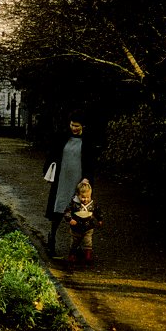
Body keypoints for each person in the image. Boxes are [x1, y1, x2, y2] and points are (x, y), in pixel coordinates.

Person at [43, 109, 96, 255]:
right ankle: (51, 238)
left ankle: (77, 245)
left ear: (83, 126)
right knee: (58, 209)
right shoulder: (62, 138)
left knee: (79, 213)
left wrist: (87, 177)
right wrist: (50, 172)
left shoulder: (88, 141)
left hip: (78, 181)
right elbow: (52, 155)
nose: (74, 128)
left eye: (77, 126)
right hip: (62, 180)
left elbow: (91, 162)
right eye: (72, 125)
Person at [63, 178, 103, 265]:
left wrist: (100, 219)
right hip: (76, 227)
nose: (85, 199)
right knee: (74, 242)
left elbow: (97, 211)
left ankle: (88, 256)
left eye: (88, 197)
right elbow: (67, 212)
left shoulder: (92, 204)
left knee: (88, 241)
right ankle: (72, 255)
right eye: (83, 197)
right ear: (78, 195)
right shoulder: (74, 204)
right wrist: (70, 219)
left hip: (88, 227)